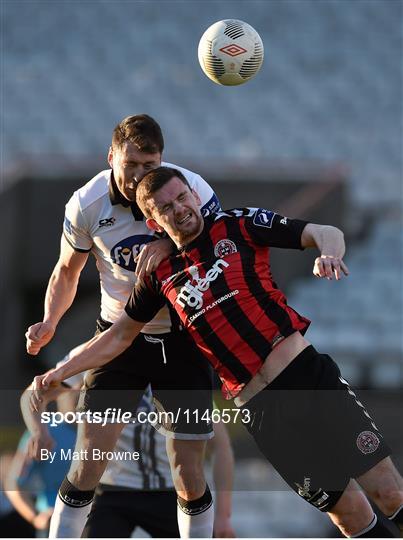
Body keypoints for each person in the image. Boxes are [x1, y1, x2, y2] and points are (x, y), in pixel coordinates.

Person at [32, 166, 403, 538]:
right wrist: (57, 374)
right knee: (349, 515)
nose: (179, 209)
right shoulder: (158, 276)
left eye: (182, 197)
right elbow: (117, 337)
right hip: (260, 411)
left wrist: (330, 254)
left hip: (306, 379)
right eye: (166, 207)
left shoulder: (239, 224)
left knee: (388, 492)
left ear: (195, 196)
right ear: (153, 221)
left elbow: (324, 232)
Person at [25, 116, 222, 538]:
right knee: (87, 462)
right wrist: (50, 320)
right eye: (130, 163)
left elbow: (217, 246)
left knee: (187, 471)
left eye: (148, 164)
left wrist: (169, 240)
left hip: (181, 335)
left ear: (162, 160)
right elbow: (66, 270)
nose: (138, 176)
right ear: (111, 156)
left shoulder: (189, 189)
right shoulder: (87, 202)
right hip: (118, 336)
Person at [20, 355, 235, 538]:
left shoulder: (179, 361)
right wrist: (39, 431)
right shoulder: (96, 351)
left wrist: (223, 516)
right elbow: (34, 394)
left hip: (170, 491)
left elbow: (221, 446)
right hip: (111, 489)